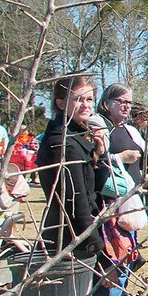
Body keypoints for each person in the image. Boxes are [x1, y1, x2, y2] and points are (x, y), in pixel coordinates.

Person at [36, 75, 108, 269]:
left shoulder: (77, 137)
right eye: (78, 99)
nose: (86, 105)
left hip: (82, 236)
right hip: (70, 242)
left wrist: (99, 154)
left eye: (90, 99)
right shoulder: (62, 143)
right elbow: (76, 205)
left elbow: (97, 188)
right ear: (60, 103)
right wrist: (99, 255)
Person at [96, 83, 146, 296]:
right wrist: (119, 158)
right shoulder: (99, 126)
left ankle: (121, 293)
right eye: (121, 102)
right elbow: (94, 159)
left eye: (129, 102)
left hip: (130, 203)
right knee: (113, 258)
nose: (126, 106)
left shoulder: (130, 129)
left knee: (126, 256)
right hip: (110, 205)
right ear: (107, 103)